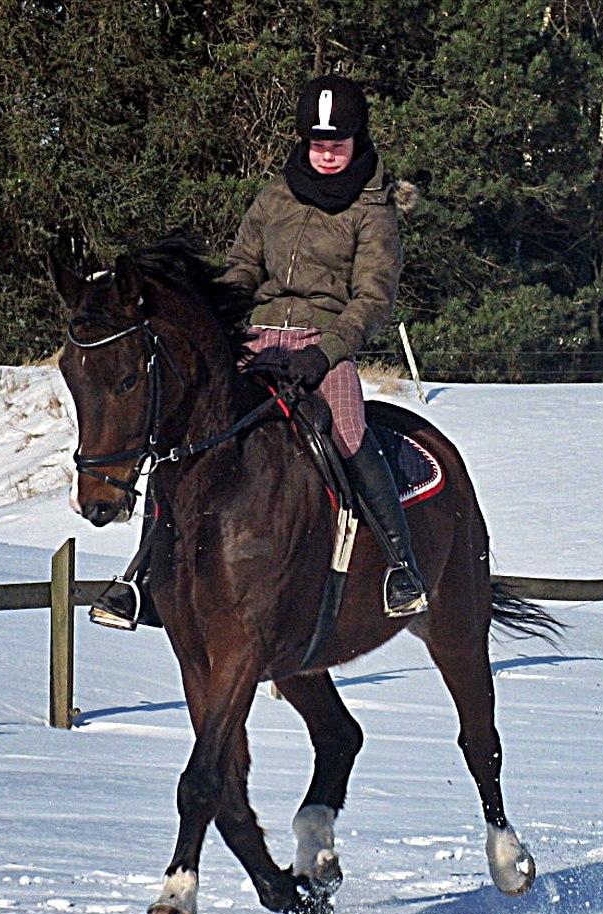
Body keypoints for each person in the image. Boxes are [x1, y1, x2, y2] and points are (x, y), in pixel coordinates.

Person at [90, 74, 427, 630]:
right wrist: (219, 306)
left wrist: (324, 355)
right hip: (259, 339)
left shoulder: (375, 210)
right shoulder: (275, 197)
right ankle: (140, 576)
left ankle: (399, 564)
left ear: (357, 141)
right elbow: (244, 267)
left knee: (345, 429)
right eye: (317, 145)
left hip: (324, 345)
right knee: (187, 430)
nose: (326, 156)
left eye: (337, 146)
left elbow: (372, 298)